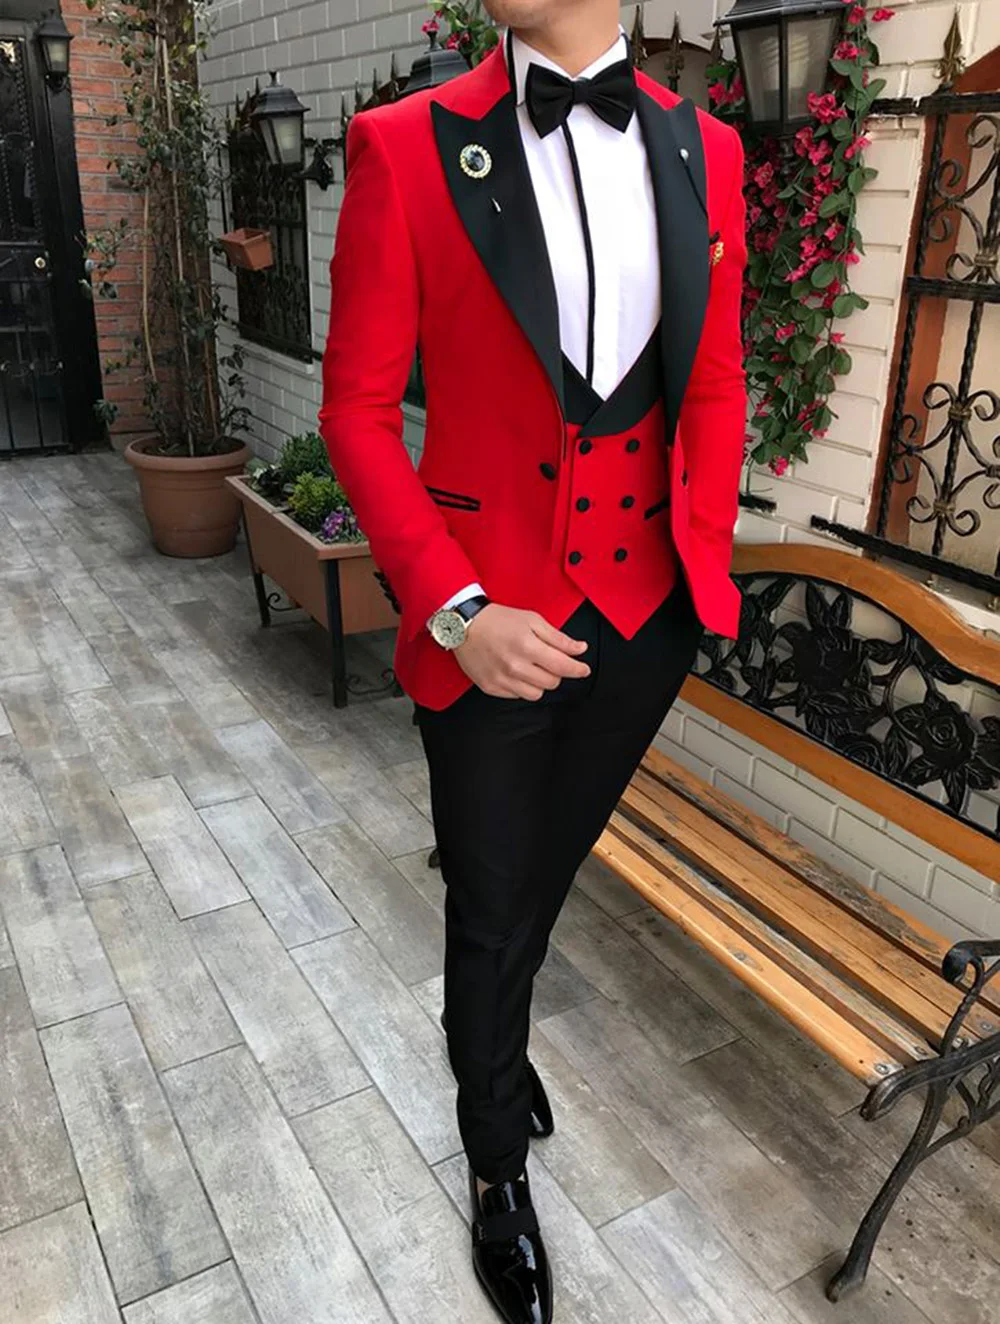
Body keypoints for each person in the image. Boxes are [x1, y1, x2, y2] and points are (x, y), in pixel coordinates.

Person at [319, 0, 746, 1318]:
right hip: (489, 625)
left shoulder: (709, 151)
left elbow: (716, 380)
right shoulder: (406, 148)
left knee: (543, 875)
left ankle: (493, 1043)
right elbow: (355, 412)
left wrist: (702, 548)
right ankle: (495, 1153)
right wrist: (455, 609)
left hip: (646, 617)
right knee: (491, 899)